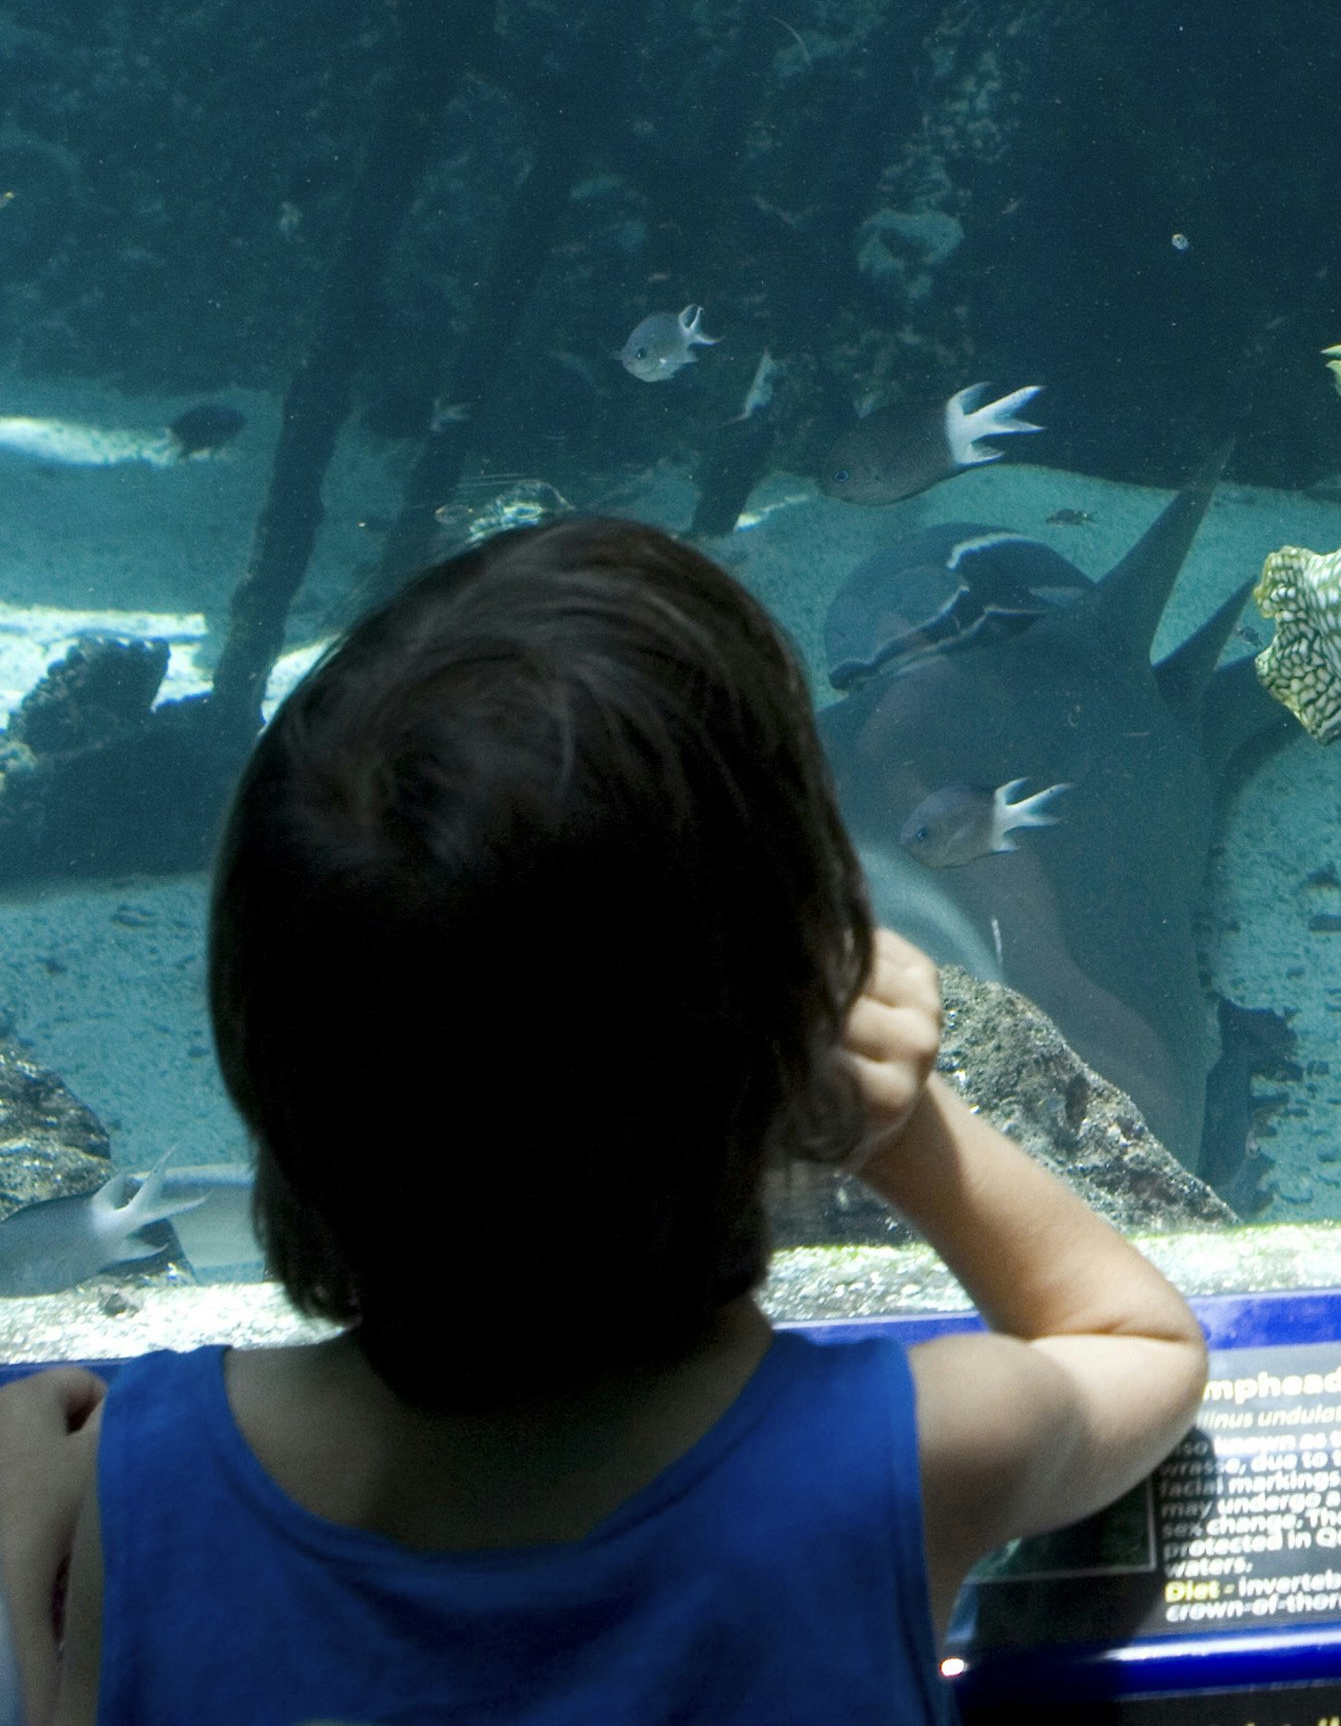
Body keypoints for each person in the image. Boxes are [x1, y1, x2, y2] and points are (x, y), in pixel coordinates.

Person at [0, 517, 1209, 1724]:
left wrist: (20, 1536)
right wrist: (895, 1118)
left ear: (257, 1041)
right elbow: (1143, 1346)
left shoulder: (141, 1479)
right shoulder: (902, 1451)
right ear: (790, 1049)